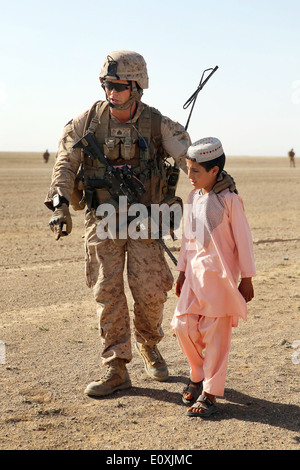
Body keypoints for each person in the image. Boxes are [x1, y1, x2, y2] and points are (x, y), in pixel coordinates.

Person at [44, 50, 236, 398]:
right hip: (103, 218)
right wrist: (59, 205)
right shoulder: (84, 123)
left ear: (137, 86)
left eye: (118, 85)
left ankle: (149, 344)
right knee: (108, 292)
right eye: (107, 84)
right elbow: (65, 164)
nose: (111, 91)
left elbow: (188, 157)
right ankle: (116, 367)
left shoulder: (156, 124)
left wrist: (220, 181)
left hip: (146, 219)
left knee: (151, 291)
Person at [171, 137, 256, 417]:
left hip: (220, 280)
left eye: (196, 170)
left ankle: (209, 392)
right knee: (182, 325)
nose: (190, 176)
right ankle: (197, 374)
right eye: (188, 169)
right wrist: (182, 271)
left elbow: (244, 241)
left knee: (216, 336)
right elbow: (187, 239)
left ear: (214, 171)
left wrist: (247, 278)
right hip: (194, 276)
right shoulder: (194, 197)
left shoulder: (231, 200)